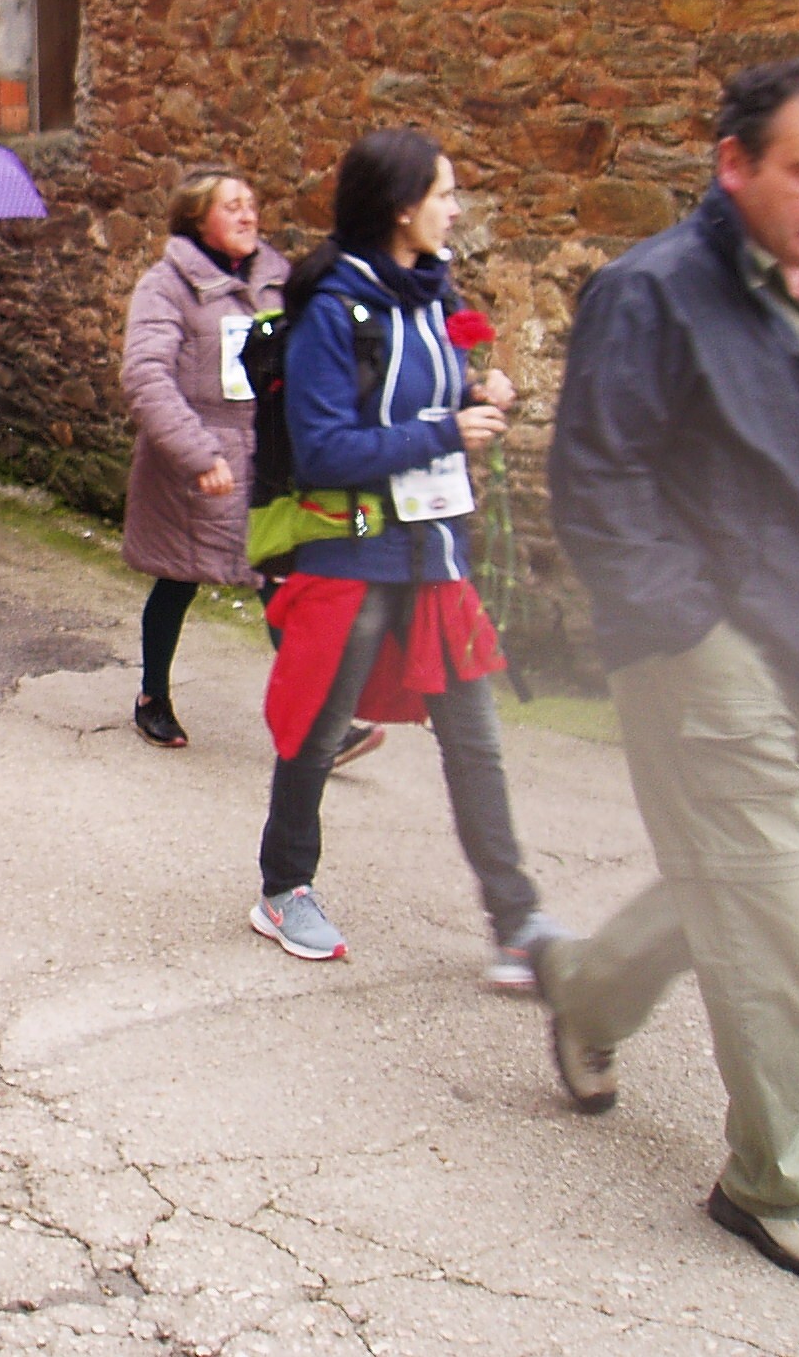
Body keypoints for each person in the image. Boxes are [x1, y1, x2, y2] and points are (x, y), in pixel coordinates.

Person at [541, 58, 799, 1287]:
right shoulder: (652, 293)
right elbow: (597, 481)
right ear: (734, 164)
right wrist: (689, 629)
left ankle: (585, 991)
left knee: (775, 879)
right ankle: (780, 1184)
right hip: (712, 651)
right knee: (766, 910)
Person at [248, 129, 555, 986]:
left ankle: (517, 920)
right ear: (399, 206)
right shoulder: (329, 310)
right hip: (351, 554)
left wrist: (473, 391)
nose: (455, 209)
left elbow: (418, 399)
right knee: (316, 734)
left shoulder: (430, 293)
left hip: (434, 555)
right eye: (444, 193)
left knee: (476, 742)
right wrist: (445, 431)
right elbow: (324, 450)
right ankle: (283, 889)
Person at [117, 169, 296, 746]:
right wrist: (198, 454)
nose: (248, 215)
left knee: (279, 580)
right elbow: (145, 376)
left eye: (252, 204)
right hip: (195, 462)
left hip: (266, 459)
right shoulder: (165, 286)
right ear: (197, 219)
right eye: (231, 206)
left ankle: (315, 714)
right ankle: (152, 696)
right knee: (177, 578)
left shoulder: (278, 283)